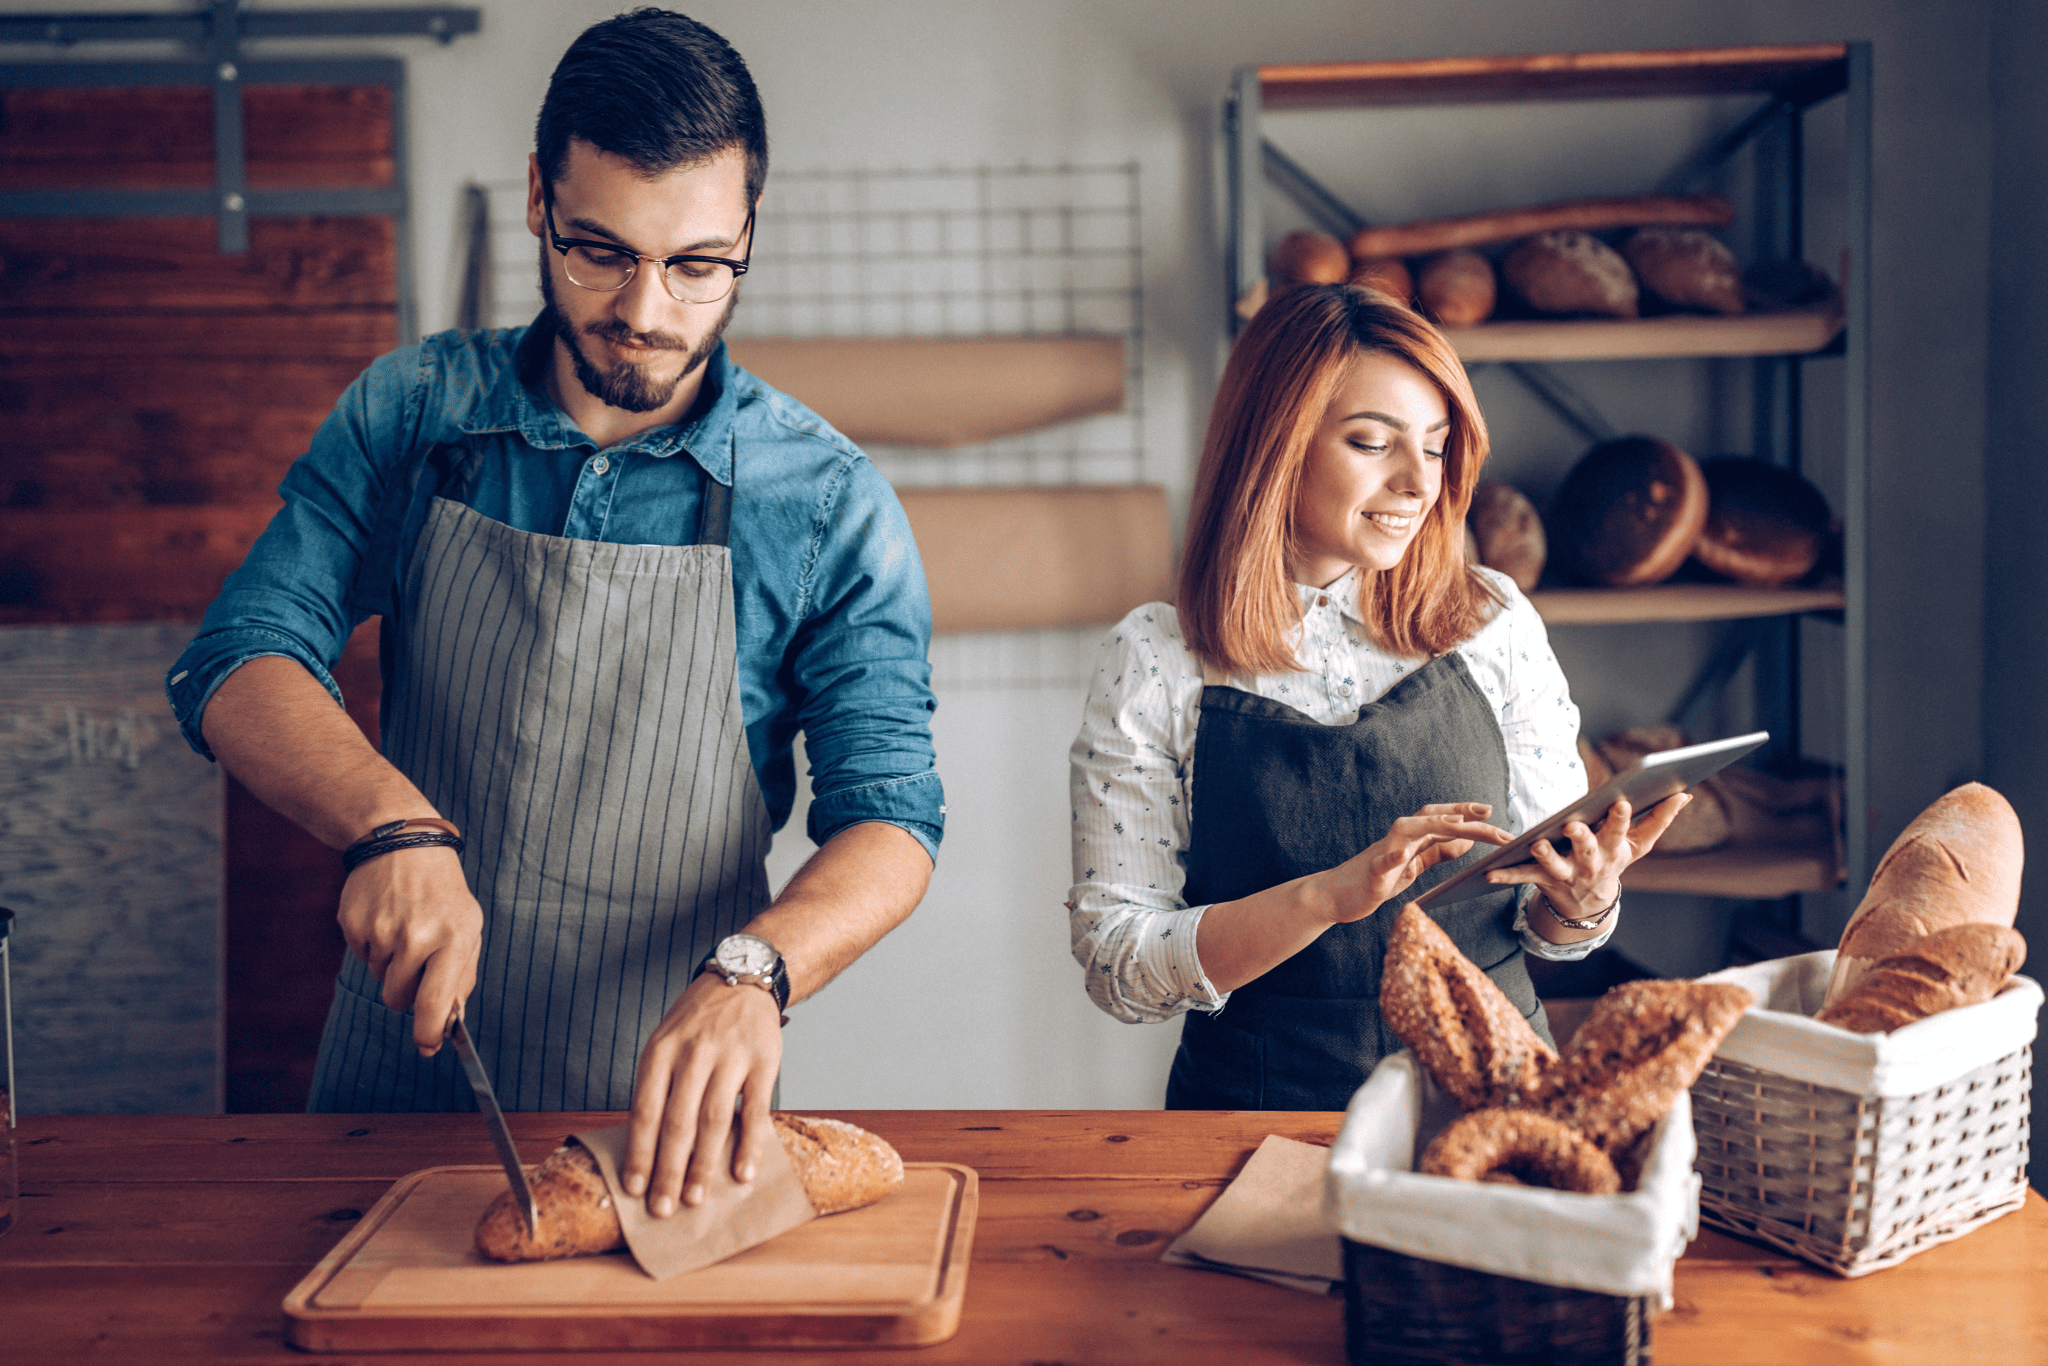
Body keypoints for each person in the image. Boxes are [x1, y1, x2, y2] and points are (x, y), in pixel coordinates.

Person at [166, 9, 943, 1215]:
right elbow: (236, 658)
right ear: (538, 197)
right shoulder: (416, 413)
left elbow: (891, 820)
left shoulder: (829, 502)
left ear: (747, 234)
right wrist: (392, 829)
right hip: (398, 1077)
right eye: (599, 251)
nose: (645, 307)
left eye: (696, 264)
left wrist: (757, 970)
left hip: (666, 1118)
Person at [1066, 284, 1688, 1110]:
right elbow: (1121, 967)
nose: (1417, 485)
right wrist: (1326, 898)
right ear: (1275, 448)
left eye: (1435, 448)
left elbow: (1554, 927)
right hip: (1253, 1109)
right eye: (1371, 442)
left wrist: (1585, 899)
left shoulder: (1491, 620)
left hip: (1497, 1091)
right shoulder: (1155, 657)